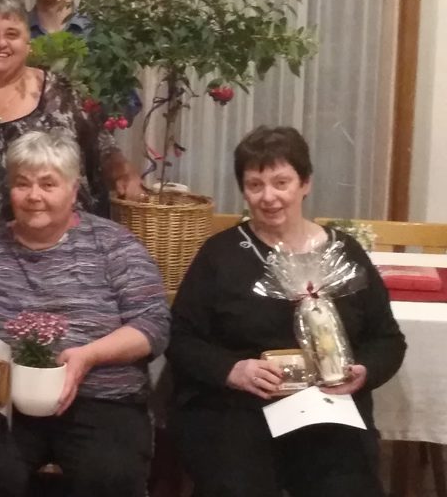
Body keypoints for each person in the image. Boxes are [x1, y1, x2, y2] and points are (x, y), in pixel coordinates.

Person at [0, 130, 169, 497]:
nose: (34, 196)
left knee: (109, 477)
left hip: (100, 398)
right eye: (22, 184)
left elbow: (153, 324)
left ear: (73, 191)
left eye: (48, 184)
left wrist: (87, 356)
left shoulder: (114, 245)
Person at [167, 126, 406, 497]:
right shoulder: (221, 254)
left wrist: (364, 371)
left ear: (305, 183)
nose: (269, 197)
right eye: (255, 185)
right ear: (243, 190)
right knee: (239, 485)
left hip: (329, 407)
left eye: (282, 182)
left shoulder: (346, 252)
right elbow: (180, 338)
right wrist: (232, 370)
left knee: (347, 485)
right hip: (237, 407)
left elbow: (387, 339)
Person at [0, 0, 142, 258]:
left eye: (12, 34)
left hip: (60, 254)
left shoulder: (61, 92)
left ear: (28, 43)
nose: (0, 43)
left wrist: (123, 172)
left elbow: (103, 146)